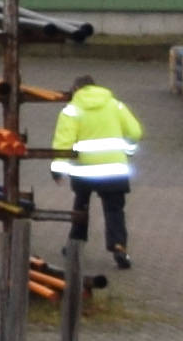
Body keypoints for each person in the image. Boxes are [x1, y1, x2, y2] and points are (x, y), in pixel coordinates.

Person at [53, 76, 145, 277]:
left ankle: (75, 245)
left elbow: (63, 142)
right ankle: (119, 247)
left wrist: (57, 168)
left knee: (81, 206)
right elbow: (135, 132)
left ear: (76, 89)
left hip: (84, 170)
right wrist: (128, 151)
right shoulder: (115, 105)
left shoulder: (72, 109)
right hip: (114, 169)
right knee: (114, 210)